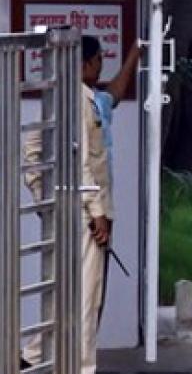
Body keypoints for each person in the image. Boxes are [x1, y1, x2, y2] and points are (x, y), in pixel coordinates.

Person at [22, 35, 140, 374]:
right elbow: (81, 163)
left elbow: (33, 149)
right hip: (87, 215)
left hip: (76, 209)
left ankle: (30, 356)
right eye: (99, 59)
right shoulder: (76, 100)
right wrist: (95, 212)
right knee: (86, 298)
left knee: (70, 294)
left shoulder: (73, 97)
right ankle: (81, 368)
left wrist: (45, 197)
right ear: (85, 63)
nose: (102, 65)